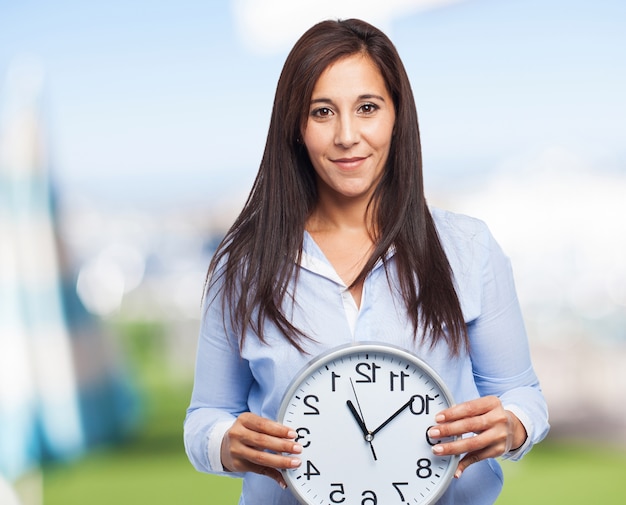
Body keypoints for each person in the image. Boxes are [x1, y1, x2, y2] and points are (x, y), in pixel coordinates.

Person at [184, 18, 549, 504]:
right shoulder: (243, 264)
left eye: (368, 108)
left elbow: (524, 395)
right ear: (295, 126)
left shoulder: (468, 247)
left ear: (397, 116)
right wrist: (224, 444)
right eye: (322, 112)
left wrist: (511, 426)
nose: (347, 135)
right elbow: (206, 415)